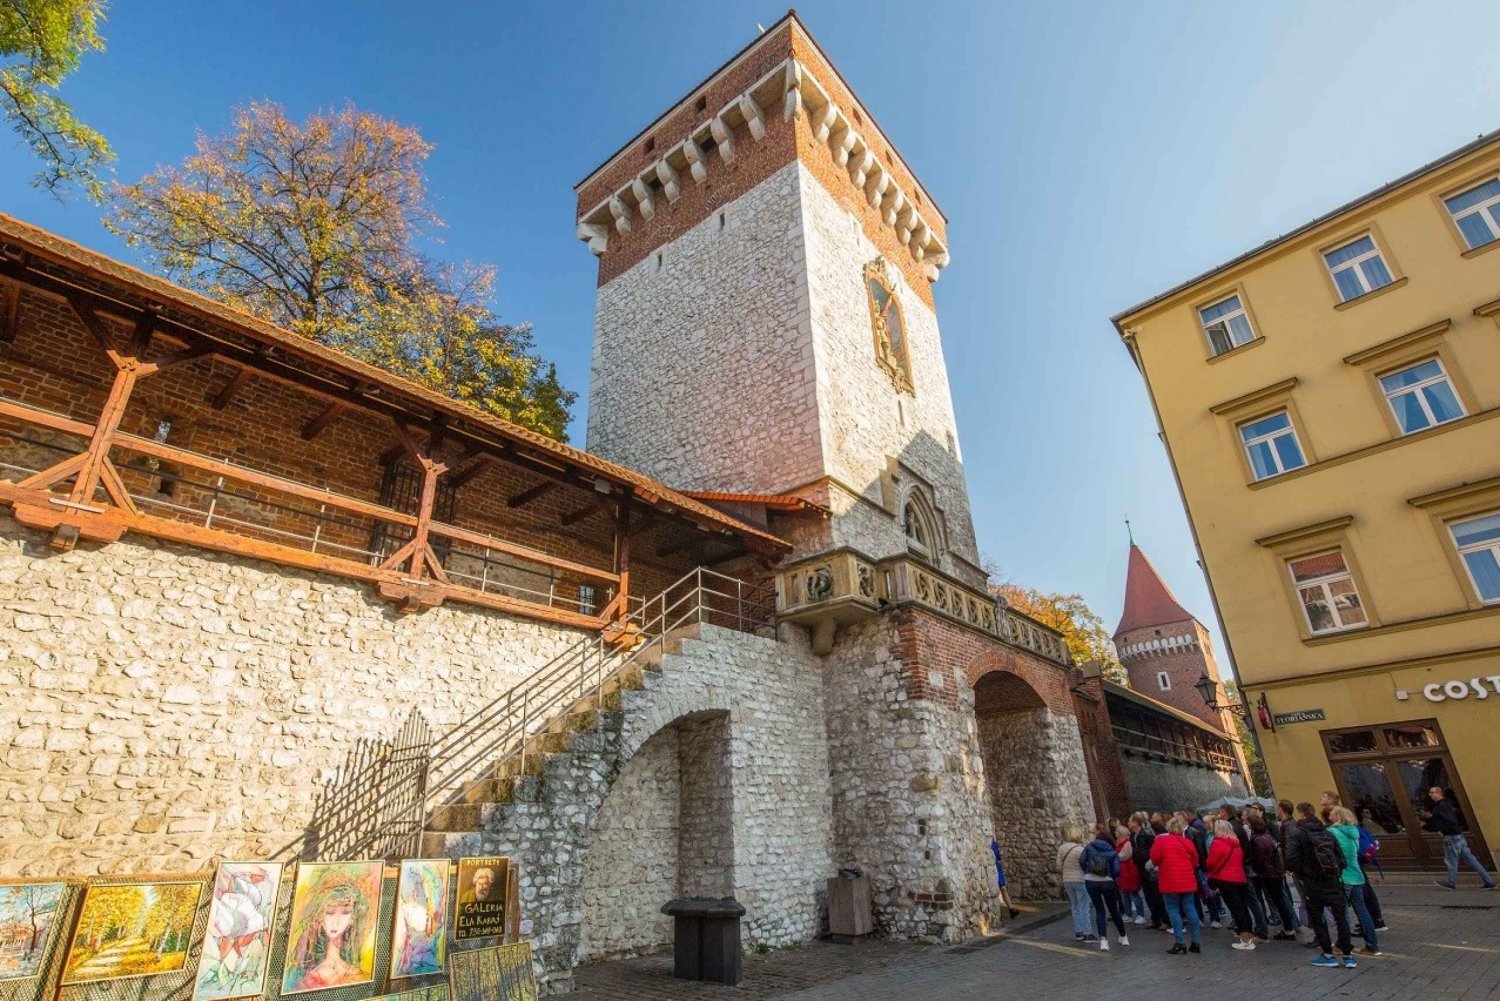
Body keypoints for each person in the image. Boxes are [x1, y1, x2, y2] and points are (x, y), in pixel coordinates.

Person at [1286, 802, 1356, 969]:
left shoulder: (1298, 834)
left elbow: (1291, 859)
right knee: (1341, 919)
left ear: (1302, 815)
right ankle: (1348, 955)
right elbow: (1341, 858)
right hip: (1332, 881)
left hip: (1312, 883)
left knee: (1318, 919)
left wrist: (1301, 875)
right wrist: (1335, 873)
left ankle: (1328, 954)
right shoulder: (1327, 832)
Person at [1327, 807, 1380, 955]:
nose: (1329, 813)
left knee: (1342, 913)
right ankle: (1372, 945)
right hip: (1356, 874)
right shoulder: (1353, 831)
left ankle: (1342, 945)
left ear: (1337, 816)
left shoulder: (1333, 832)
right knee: (1362, 911)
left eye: (1332, 812)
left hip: (1343, 876)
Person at [1423, 786, 1496, 890]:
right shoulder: (1446, 804)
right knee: (1472, 860)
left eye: (1432, 792)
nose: (1430, 795)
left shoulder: (1441, 806)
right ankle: (1489, 881)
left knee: (1451, 860)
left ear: (1439, 793)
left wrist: (1440, 829)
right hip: (1459, 836)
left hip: (1451, 836)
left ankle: (1450, 883)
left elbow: (1449, 821)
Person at [1206, 818, 1262, 950]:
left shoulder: (1217, 843)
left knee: (1236, 910)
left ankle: (1245, 939)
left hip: (1226, 880)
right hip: (1239, 878)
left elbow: (1211, 863)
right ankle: (1248, 935)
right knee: (1242, 908)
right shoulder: (1236, 844)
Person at [1150, 816, 1202, 954]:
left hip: (1170, 880)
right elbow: (1195, 861)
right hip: (1187, 880)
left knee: (1173, 910)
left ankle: (1180, 942)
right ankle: (1196, 942)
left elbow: (1154, 859)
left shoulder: (1162, 841)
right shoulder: (1187, 842)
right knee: (1190, 909)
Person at [1080, 822, 1130, 951]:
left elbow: (1081, 860)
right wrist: (1110, 876)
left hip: (1091, 880)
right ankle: (1123, 937)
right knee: (1113, 910)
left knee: (1099, 910)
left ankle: (1103, 941)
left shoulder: (1089, 847)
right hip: (1107, 881)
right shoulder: (1112, 852)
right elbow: (1117, 870)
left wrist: (1087, 870)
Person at [1248, 814, 1298, 940]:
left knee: (1279, 901)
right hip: (1275, 872)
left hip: (1269, 874)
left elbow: (1258, 858)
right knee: (1280, 900)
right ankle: (1289, 928)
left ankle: (1289, 929)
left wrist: (1255, 868)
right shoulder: (1266, 837)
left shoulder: (1257, 840)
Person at [1130, 812, 1169, 930]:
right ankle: (1155, 919)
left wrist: (1152, 863)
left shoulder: (1146, 835)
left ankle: (1165, 920)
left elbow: (1154, 849)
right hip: (1140, 868)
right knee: (1148, 895)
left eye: (1130, 821)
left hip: (1150, 868)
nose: (1128, 823)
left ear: (1136, 823)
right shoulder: (1133, 836)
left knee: (1156, 895)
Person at [1058, 825, 1094, 941]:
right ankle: (1087, 932)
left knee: (1075, 906)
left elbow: (1058, 865)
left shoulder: (1062, 848)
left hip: (1067, 880)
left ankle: (1079, 931)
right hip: (1080, 880)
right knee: (1084, 906)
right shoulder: (1080, 849)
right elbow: (1087, 865)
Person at [1114, 820, 1146, 925]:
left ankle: (1141, 914)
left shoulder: (1127, 842)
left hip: (1129, 870)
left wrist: (1114, 857)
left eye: (1117, 832)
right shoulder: (1120, 842)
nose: (1115, 834)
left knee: (1133, 893)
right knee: (1125, 894)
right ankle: (1128, 914)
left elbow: (1123, 856)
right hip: (1123, 870)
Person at [991, 836, 1020, 919]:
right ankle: (1008, 909)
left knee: (1003, 888)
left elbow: (999, 856)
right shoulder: (991, 844)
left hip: (999, 868)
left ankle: (1011, 909)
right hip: (995, 868)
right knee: (1001, 888)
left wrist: (1000, 854)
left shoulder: (995, 844)